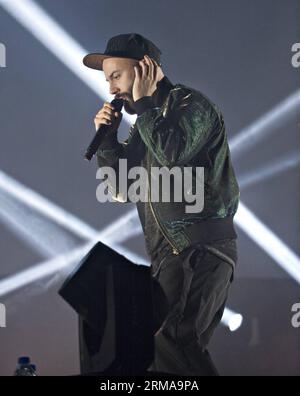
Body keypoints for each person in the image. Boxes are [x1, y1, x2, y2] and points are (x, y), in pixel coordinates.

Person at [83, 33, 240, 376]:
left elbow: (172, 155)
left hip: (200, 246)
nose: (110, 89)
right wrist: (109, 139)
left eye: (116, 76)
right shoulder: (146, 122)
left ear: (144, 69)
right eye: (106, 79)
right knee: (154, 352)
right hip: (168, 254)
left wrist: (146, 106)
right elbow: (121, 188)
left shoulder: (191, 106)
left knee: (172, 342)